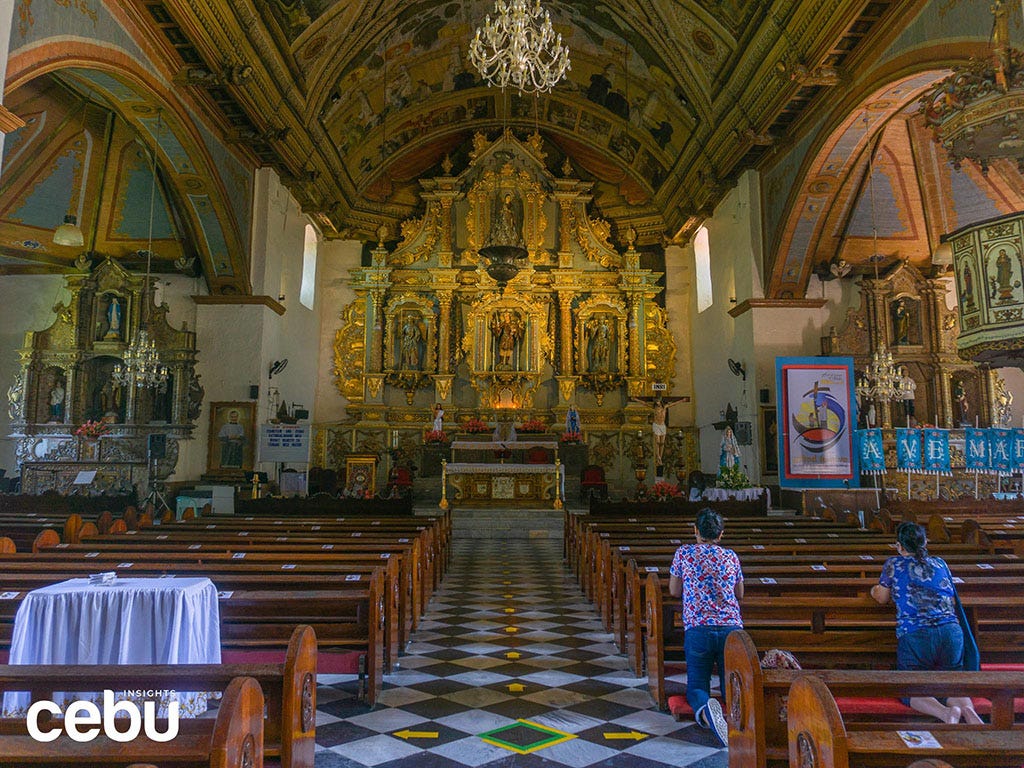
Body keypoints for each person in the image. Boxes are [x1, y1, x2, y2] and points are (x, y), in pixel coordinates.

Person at [870, 522, 982, 724]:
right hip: (951, 631)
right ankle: (967, 710)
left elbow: (882, 597)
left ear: (900, 546)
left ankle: (945, 713)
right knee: (952, 683)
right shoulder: (941, 563)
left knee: (910, 685)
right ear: (925, 542)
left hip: (916, 633)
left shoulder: (894, 564)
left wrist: (873, 590)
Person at [669, 508, 743, 747]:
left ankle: (704, 711)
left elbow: (674, 590)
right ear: (721, 534)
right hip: (732, 628)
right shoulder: (731, 556)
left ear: (695, 531)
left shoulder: (684, 553)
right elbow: (739, 593)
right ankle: (735, 720)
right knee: (730, 682)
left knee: (697, 685)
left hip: (698, 627)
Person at [631, 396, 683, 467]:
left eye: (658, 401)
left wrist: (682, 400)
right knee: (657, 442)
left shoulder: (664, 407)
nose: (657, 402)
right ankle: (658, 456)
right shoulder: (654, 407)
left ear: (660, 401)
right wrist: (636, 399)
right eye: (656, 401)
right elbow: (644, 403)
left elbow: (673, 404)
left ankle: (660, 458)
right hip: (656, 425)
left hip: (662, 425)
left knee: (662, 443)